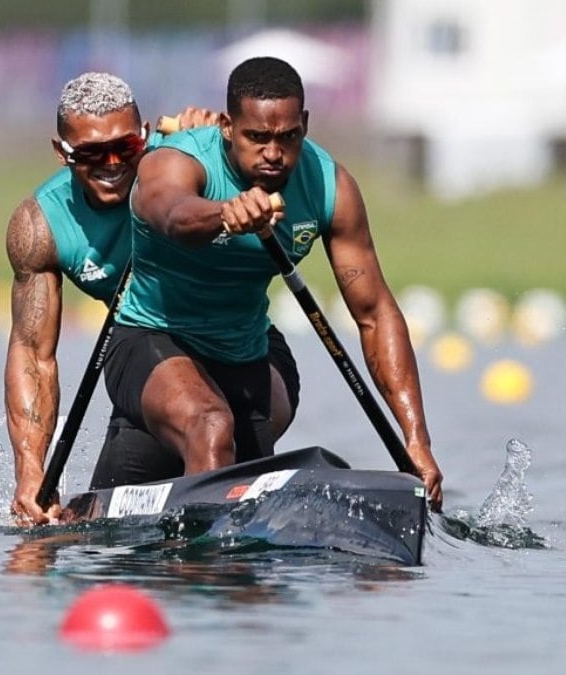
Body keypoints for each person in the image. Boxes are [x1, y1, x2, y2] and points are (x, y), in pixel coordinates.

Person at [110, 56, 444, 512]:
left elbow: (374, 314)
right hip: (152, 339)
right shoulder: (178, 161)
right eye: (257, 138)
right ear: (227, 126)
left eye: (288, 137)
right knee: (210, 426)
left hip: (246, 351)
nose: (273, 153)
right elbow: (172, 214)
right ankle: (203, 572)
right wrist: (224, 213)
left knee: (221, 446)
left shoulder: (331, 187)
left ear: (304, 124)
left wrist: (416, 439)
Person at [5, 72, 302, 525]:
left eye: (125, 149)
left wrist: (205, 143)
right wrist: (30, 472)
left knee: (217, 427)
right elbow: (33, 355)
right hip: (150, 356)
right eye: (89, 153)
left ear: (144, 137)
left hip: (243, 346)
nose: (111, 163)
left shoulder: (177, 165)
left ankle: (211, 549)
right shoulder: (41, 225)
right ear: (61, 152)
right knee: (87, 525)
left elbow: (244, 152)